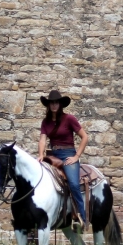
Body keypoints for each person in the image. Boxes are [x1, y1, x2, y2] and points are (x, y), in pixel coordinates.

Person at [37, 90, 89, 227]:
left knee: (73, 184)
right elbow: (42, 140)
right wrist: (41, 155)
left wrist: (76, 156)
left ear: (60, 104)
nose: (54, 105)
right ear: (48, 105)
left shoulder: (69, 119)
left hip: (68, 154)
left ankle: (81, 216)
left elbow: (84, 137)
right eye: (51, 103)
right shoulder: (45, 122)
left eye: (56, 103)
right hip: (52, 155)